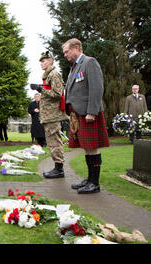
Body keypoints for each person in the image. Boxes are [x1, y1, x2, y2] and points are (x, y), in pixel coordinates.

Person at [62, 38, 110, 194]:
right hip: (77, 114)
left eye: (67, 51)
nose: (65, 55)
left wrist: (92, 111)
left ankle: (94, 184)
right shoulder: (74, 67)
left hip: (88, 113)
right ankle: (89, 180)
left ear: (77, 48)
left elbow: (96, 88)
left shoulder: (90, 62)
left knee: (92, 147)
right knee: (87, 148)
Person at [30, 51, 68, 178]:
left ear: (51, 60)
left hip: (53, 115)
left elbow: (58, 94)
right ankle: (57, 167)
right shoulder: (47, 75)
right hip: (48, 115)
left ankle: (59, 169)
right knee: (52, 142)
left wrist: (40, 89)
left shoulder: (54, 74)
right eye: (41, 61)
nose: (42, 63)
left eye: (44, 61)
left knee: (55, 142)